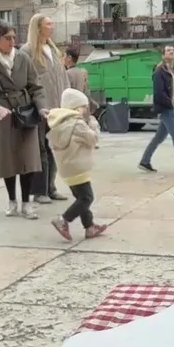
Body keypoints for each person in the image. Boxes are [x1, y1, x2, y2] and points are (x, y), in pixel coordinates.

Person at [0, 20, 45, 218]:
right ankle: (12, 200)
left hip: (25, 111)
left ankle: (27, 203)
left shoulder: (23, 58)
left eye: (14, 37)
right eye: (7, 38)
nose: (12, 42)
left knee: (28, 158)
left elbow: (35, 86)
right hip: (2, 114)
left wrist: (41, 107)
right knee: (8, 160)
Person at [47, 88, 107, 241]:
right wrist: (93, 124)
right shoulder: (77, 124)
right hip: (78, 167)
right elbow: (93, 139)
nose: (86, 110)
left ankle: (89, 226)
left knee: (81, 198)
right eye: (83, 107)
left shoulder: (59, 123)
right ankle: (63, 220)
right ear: (75, 107)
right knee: (87, 198)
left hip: (67, 169)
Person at [22, 14, 70, 203]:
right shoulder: (27, 52)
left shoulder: (54, 51)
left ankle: (50, 187)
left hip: (57, 109)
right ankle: (39, 191)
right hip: (40, 109)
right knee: (40, 150)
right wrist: (37, 105)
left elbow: (63, 78)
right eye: (48, 24)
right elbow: (25, 82)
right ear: (38, 27)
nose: (52, 26)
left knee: (54, 149)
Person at [139, 45, 174, 173]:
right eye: (168, 50)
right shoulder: (159, 72)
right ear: (163, 55)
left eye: (173, 50)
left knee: (159, 138)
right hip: (167, 110)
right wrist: (170, 104)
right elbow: (159, 93)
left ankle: (144, 161)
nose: (171, 51)